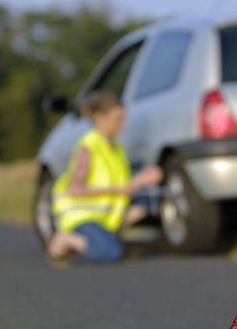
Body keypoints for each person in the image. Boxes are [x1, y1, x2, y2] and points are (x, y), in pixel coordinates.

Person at [47, 90, 162, 267]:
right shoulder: (88, 147)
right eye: (117, 119)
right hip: (81, 215)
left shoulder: (117, 148)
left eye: (123, 118)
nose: (122, 125)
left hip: (105, 216)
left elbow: (123, 185)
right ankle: (64, 240)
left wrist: (143, 179)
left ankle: (113, 236)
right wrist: (118, 190)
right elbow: (75, 189)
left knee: (145, 199)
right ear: (100, 117)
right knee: (110, 253)